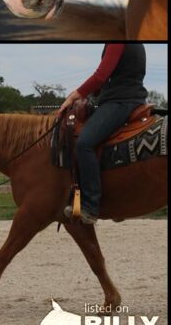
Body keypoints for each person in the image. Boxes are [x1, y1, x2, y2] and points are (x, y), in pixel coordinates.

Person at [59, 44, 148, 224]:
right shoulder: (136, 40)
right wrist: (92, 95)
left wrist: (74, 96)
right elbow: (114, 78)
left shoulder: (118, 39)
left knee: (84, 144)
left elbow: (101, 76)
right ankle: (117, 200)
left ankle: (90, 206)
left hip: (120, 102)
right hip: (130, 99)